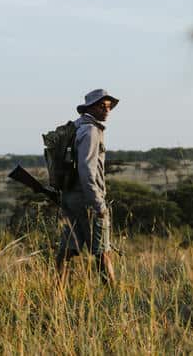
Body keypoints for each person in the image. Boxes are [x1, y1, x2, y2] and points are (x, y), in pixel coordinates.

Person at [56, 88, 119, 287]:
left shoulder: (76, 127)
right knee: (102, 251)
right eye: (102, 106)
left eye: (109, 106)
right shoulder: (91, 131)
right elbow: (87, 169)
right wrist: (98, 203)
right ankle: (113, 298)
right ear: (90, 108)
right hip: (87, 200)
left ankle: (58, 295)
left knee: (68, 250)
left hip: (70, 197)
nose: (107, 110)